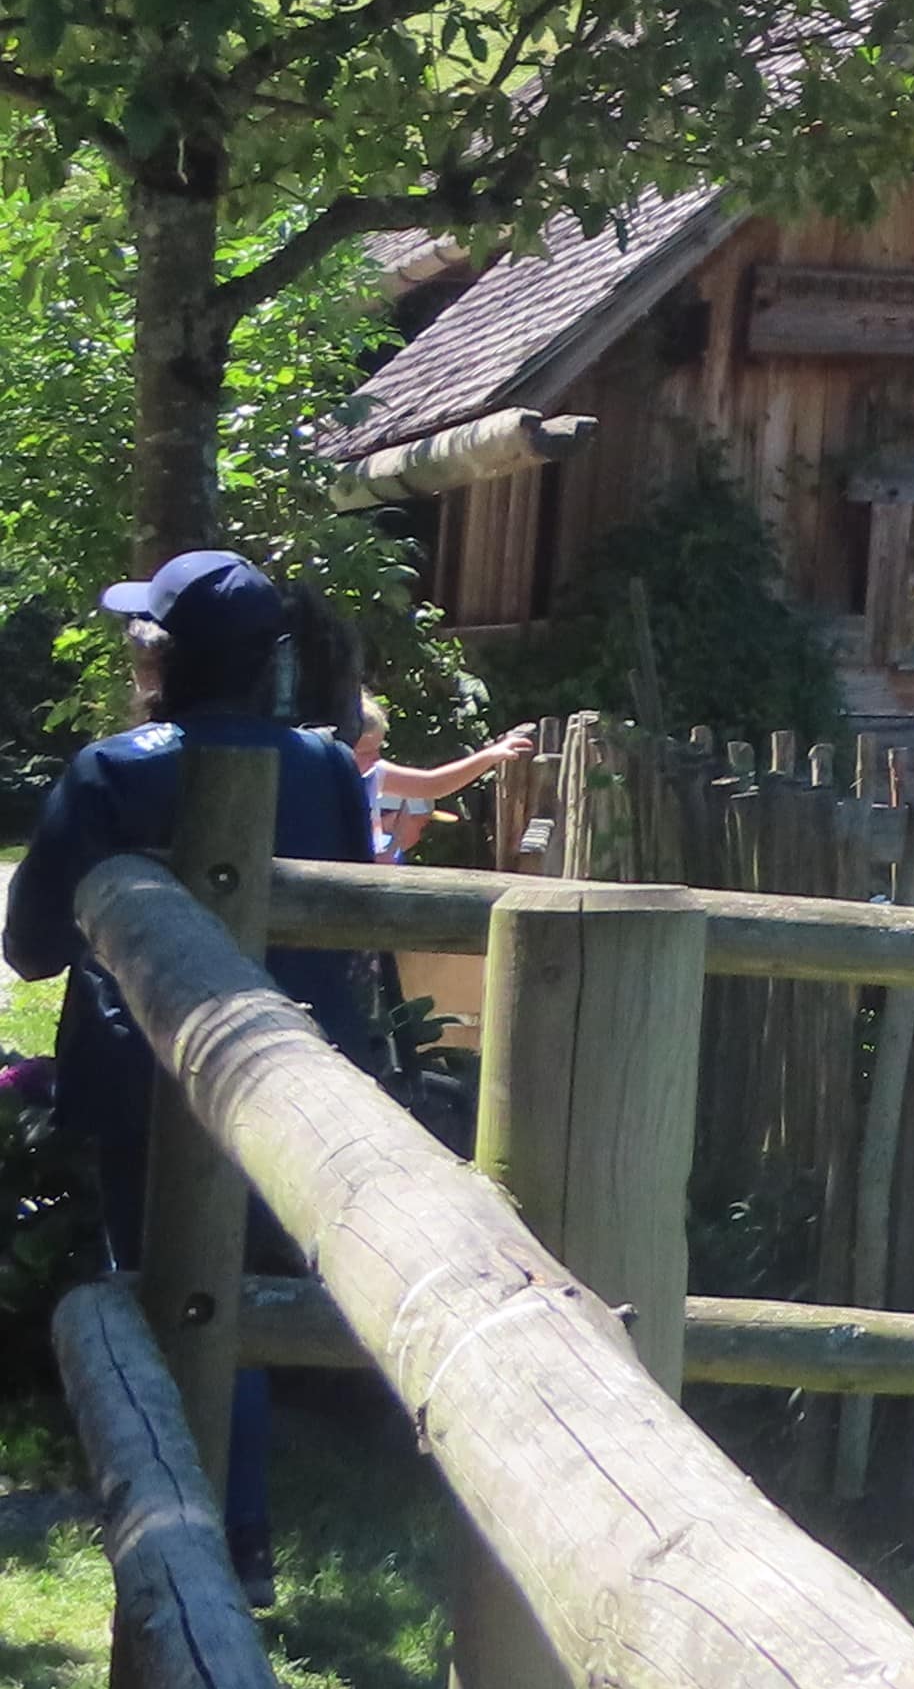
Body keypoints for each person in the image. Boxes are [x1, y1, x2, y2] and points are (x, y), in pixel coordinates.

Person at [5, 550, 377, 1595]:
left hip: (149, 1079)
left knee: (180, 1298)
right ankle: (240, 1523)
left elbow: (30, 944)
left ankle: (205, 1530)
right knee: (250, 1297)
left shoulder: (115, 771)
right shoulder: (328, 769)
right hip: (302, 1072)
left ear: (158, 656)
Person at [353, 696, 536, 856]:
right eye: (366, 752)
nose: (376, 758)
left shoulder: (374, 772)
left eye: (378, 750)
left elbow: (432, 785)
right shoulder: (328, 780)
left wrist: (490, 756)